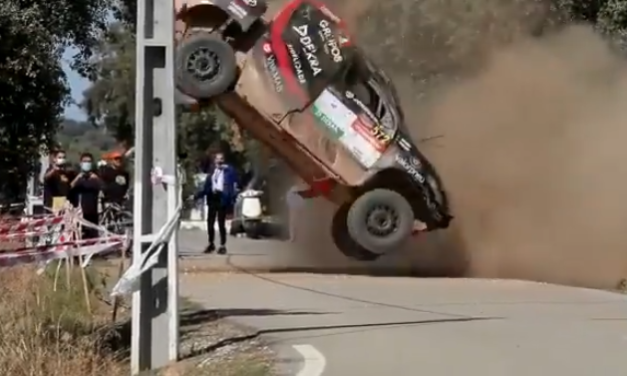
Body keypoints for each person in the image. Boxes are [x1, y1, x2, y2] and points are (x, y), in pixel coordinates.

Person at [194, 152, 238, 254]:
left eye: (221, 159)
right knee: (210, 223)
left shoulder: (228, 171)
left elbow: (234, 175)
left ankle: (222, 245)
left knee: (221, 223)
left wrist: (226, 167)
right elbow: (206, 188)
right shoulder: (212, 173)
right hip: (212, 198)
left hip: (222, 198)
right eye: (217, 159)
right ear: (214, 161)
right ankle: (211, 244)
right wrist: (197, 196)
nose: (219, 161)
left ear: (224, 160)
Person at [71, 153, 102, 239]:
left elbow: (103, 188)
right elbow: (68, 188)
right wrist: (78, 178)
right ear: (80, 163)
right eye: (85, 161)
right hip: (79, 212)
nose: (87, 164)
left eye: (89, 161)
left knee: (92, 235)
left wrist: (96, 178)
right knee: (80, 234)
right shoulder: (76, 176)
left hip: (93, 212)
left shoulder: (95, 178)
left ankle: (93, 252)